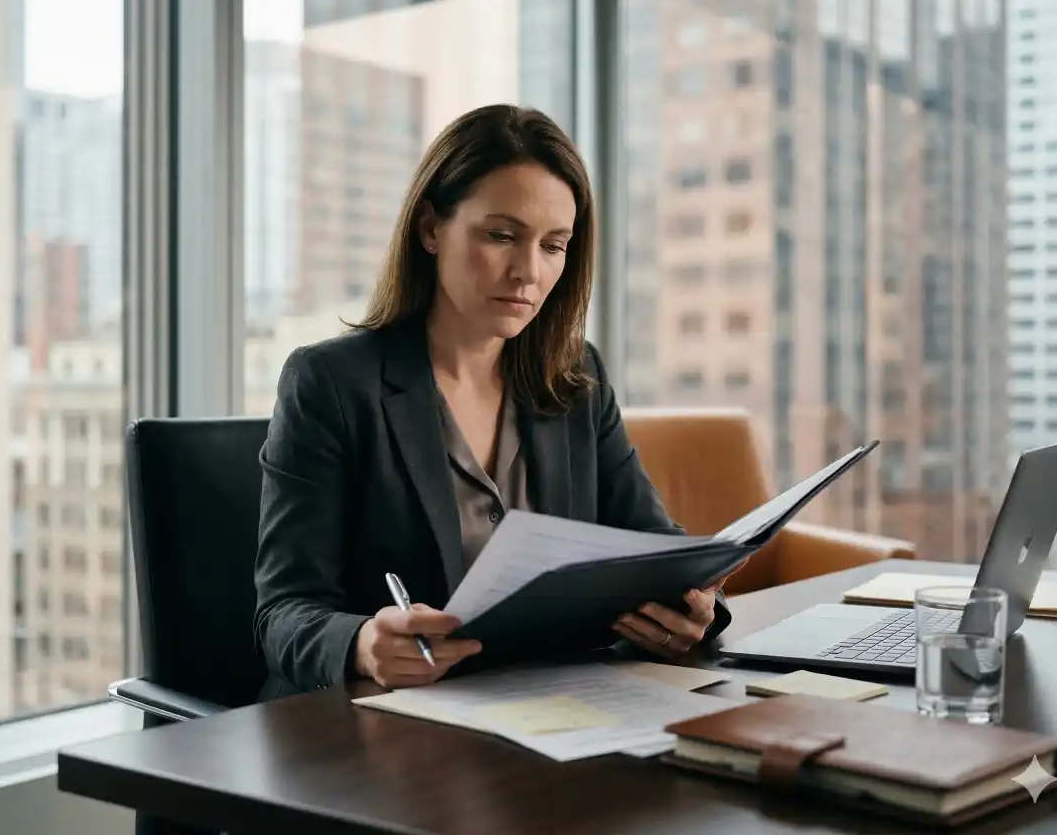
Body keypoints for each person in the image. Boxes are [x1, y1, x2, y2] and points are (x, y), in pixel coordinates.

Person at [253, 103, 737, 699]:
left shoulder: (575, 376)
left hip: (560, 710)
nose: (527, 272)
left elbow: (657, 547)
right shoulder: (329, 382)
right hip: (394, 729)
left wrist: (699, 609)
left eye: (554, 245)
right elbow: (284, 612)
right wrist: (361, 643)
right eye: (502, 236)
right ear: (430, 229)